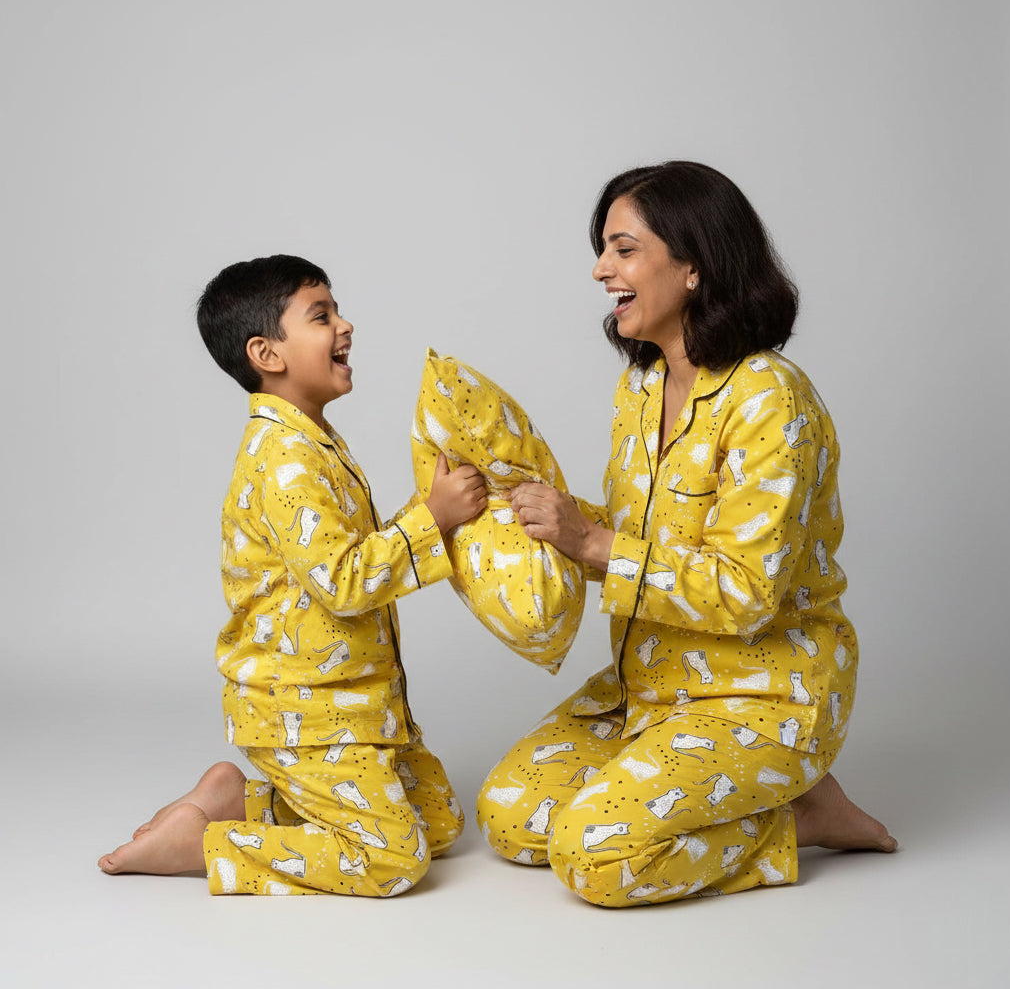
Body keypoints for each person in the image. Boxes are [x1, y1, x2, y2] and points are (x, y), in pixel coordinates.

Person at [478, 162, 896, 907]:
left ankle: (800, 814)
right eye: (604, 249)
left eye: (623, 248)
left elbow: (746, 592)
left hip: (759, 695)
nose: (601, 269)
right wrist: (517, 501)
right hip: (650, 689)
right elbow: (641, 536)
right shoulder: (640, 386)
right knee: (511, 819)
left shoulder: (771, 399)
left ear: (694, 265)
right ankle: (739, 795)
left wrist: (592, 545)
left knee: (593, 860)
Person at [98, 254, 487, 896]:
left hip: (358, 704)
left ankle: (246, 801)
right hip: (305, 711)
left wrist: (426, 516)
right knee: (395, 861)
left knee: (439, 824)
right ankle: (211, 843)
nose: (346, 326)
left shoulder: (312, 439)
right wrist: (431, 520)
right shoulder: (283, 459)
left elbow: (347, 553)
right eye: (321, 315)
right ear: (267, 354)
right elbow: (343, 580)